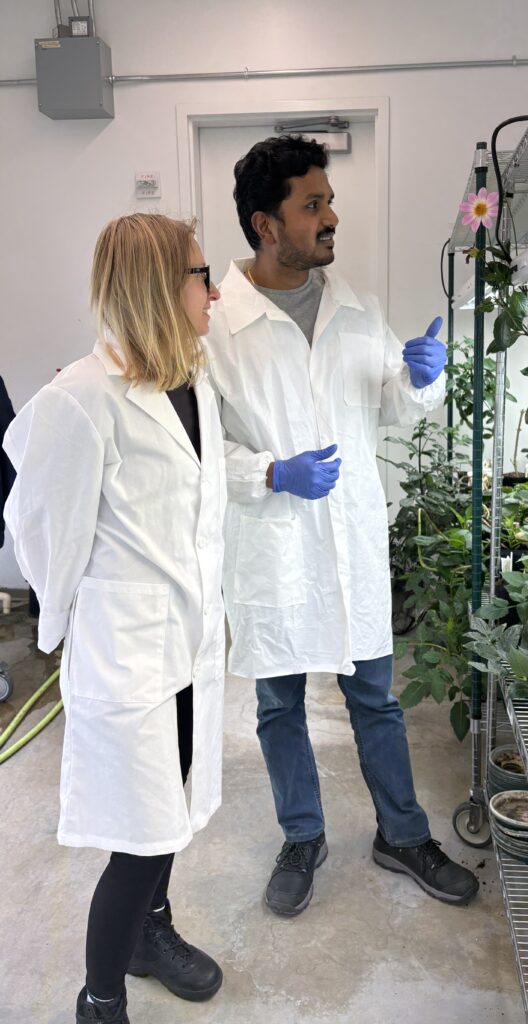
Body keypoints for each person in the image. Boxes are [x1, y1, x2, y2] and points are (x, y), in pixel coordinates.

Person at [204, 135, 479, 917]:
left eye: (329, 201)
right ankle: (302, 836)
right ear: (266, 223)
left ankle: (402, 834)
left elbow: (389, 403)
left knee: (378, 701)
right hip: (273, 546)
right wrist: (267, 472)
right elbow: (200, 449)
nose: (331, 217)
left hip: (350, 544)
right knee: (279, 706)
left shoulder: (357, 310)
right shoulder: (218, 329)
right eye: (312, 205)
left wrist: (417, 376)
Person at [4, 214, 226, 1024]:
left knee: (169, 814)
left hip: (186, 644)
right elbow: (39, 530)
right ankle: (99, 1000)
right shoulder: (78, 397)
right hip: (126, 654)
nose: (215, 290)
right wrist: (62, 625)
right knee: (138, 842)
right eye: (202, 275)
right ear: (159, 288)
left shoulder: (190, 380)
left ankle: (151, 937)